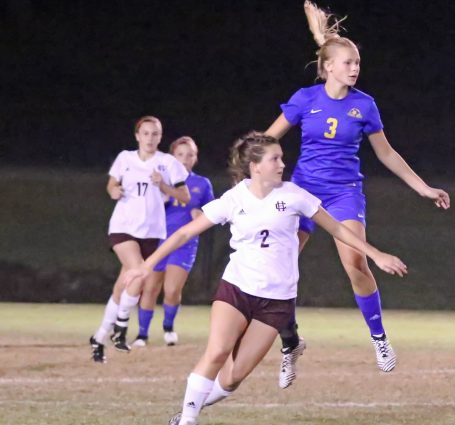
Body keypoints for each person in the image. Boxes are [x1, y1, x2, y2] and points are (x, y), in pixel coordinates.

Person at [122, 132, 407, 425]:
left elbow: (337, 228)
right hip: (237, 289)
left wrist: (375, 254)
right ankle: (188, 420)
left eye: (281, 157)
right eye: (275, 159)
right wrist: (148, 265)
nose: (282, 164)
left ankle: (189, 410)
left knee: (233, 378)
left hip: (277, 301)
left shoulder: (294, 195)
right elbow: (184, 232)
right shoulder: (234, 199)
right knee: (217, 351)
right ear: (255, 166)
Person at [264, 0, 450, 387]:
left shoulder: (364, 106)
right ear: (328, 67)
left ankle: (380, 340)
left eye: (357, 63)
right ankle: (290, 344)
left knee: (356, 265)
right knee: (279, 271)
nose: (354, 68)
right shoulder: (305, 99)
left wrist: (424, 188)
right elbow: (268, 139)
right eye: (348, 63)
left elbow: (387, 154)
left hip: (343, 194)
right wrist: (252, 171)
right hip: (301, 192)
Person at [89, 116, 190, 362]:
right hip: (123, 226)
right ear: (137, 136)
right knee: (137, 271)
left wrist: (163, 186)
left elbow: (184, 196)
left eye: (155, 134)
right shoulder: (125, 158)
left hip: (152, 231)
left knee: (125, 281)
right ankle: (121, 327)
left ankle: (100, 336)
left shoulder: (168, 163)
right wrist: (113, 191)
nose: (150, 138)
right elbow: (112, 184)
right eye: (145, 133)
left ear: (160, 137)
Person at [133, 136, 215, 347]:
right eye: (180, 155)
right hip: (158, 239)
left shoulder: (202, 183)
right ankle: (142, 334)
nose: (185, 159)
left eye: (190, 155)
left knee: (171, 290)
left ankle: (168, 328)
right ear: (172, 157)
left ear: (195, 158)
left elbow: (212, 213)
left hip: (185, 243)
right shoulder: (160, 179)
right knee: (150, 287)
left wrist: (201, 216)